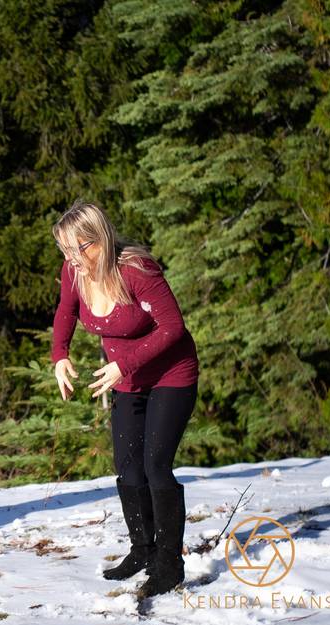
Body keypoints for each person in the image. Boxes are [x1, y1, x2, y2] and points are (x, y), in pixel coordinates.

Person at [50, 201, 199, 599]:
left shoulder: (136, 270)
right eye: (66, 250)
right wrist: (60, 355)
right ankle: (143, 550)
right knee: (128, 468)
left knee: (155, 466)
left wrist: (125, 363)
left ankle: (169, 566)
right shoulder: (74, 273)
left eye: (81, 248)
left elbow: (173, 327)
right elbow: (66, 310)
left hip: (171, 375)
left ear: (101, 239)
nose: (73, 259)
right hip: (127, 380)